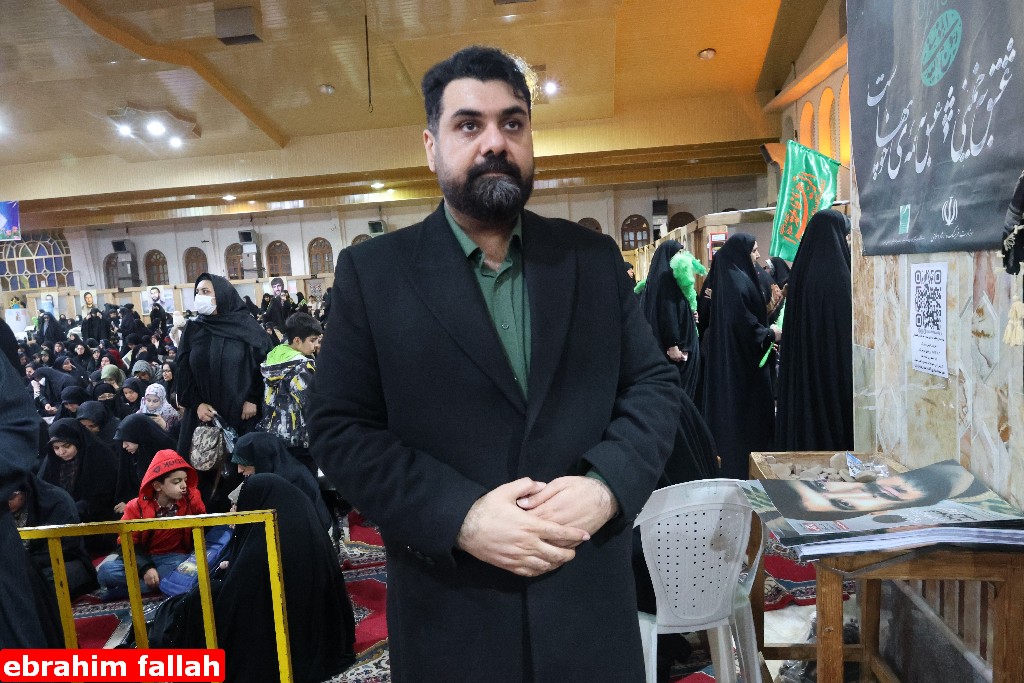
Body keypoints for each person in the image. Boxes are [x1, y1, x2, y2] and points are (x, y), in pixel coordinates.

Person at [306, 46, 680, 681]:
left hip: (586, 600)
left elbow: (652, 384)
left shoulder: (590, 260)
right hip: (454, 613)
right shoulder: (375, 274)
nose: (495, 142)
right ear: (431, 146)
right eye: (468, 124)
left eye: (512, 123)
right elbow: (339, 427)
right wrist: (461, 516)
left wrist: (605, 485)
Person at [215, 473, 355, 683]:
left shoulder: (265, 543)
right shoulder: (297, 519)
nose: (232, 511)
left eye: (236, 505)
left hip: (286, 647)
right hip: (319, 637)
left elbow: (238, 596)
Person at [176, 273, 274, 512]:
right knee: (199, 478)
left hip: (240, 415)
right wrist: (196, 403)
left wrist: (253, 398)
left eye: (206, 292)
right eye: (197, 292)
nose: (200, 296)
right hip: (203, 418)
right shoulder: (194, 328)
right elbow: (183, 369)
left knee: (237, 478)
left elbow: (265, 366)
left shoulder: (247, 327)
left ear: (222, 295)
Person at [699, 233, 779, 479]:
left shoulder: (733, 277)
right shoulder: (736, 281)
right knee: (743, 421)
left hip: (735, 361)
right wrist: (769, 334)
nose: (757, 255)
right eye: (753, 250)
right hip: (742, 368)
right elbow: (742, 323)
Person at [775, 209, 854, 451]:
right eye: (846, 236)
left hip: (805, 366)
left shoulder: (801, 272)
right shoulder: (840, 275)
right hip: (832, 368)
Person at [97, 449, 205, 599]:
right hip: (144, 557)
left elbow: (204, 525)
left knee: (183, 569)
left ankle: (124, 592)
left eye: (185, 480)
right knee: (106, 572)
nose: (184, 486)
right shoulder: (135, 507)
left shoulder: (190, 501)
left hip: (174, 558)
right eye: (176, 482)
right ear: (157, 486)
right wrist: (146, 568)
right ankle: (160, 586)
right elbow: (126, 543)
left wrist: (195, 499)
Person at [37, 418, 118, 552]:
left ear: (78, 441)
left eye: (66, 446)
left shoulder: (99, 456)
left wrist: (72, 512)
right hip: (61, 525)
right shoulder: (52, 461)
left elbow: (102, 497)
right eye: (56, 448)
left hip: (97, 525)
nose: (61, 452)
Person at [638, 240, 706, 397]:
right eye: (678, 253)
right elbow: (667, 314)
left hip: (675, 347)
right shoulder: (666, 279)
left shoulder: (662, 278)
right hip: (676, 351)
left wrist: (689, 315)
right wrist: (673, 344)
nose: (683, 257)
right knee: (681, 394)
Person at [257, 312, 321, 475]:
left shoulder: (275, 357)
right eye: (312, 340)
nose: (315, 346)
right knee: (306, 484)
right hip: (299, 439)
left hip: (275, 433)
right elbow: (311, 403)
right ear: (297, 340)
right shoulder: (300, 366)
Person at [112, 413, 177, 514]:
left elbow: (166, 492)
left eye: (127, 440)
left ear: (139, 435)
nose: (124, 446)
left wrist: (134, 505)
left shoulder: (166, 454)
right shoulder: (133, 454)